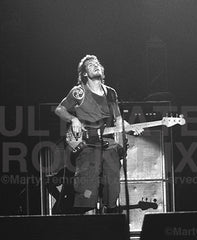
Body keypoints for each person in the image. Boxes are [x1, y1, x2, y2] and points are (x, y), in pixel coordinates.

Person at [55, 54, 143, 214]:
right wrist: (73, 119)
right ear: (84, 73)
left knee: (112, 184)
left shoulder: (110, 93)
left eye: (97, 64)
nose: (96, 66)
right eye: (90, 65)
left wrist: (130, 127)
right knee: (87, 186)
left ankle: (110, 214)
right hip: (86, 144)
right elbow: (59, 109)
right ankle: (87, 216)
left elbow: (118, 119)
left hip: (107, 143)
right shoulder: (78, 92)